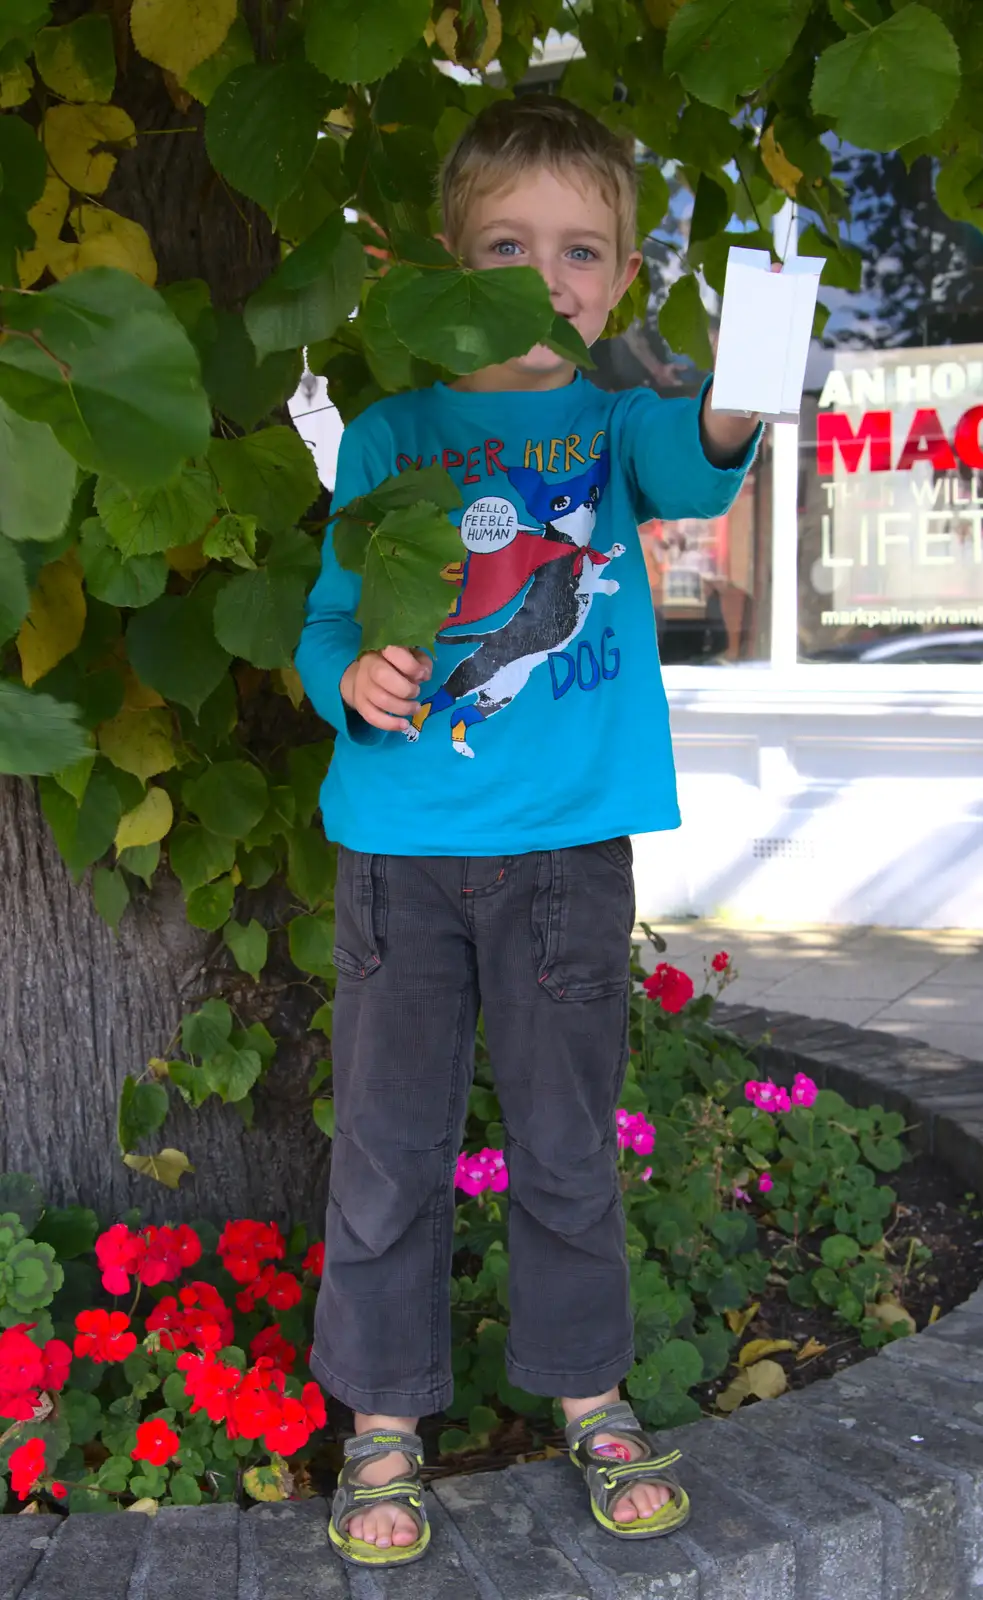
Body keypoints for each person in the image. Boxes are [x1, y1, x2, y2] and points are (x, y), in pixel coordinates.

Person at [295, 94, 762, 1570]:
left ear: (621, 278)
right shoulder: (388, 437)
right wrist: (351, 681)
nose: (546, 275)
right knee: (385, 1151)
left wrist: (748, 379)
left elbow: (695, 469)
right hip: (398, 854)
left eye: (578, 249)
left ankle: (589, 1394)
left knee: (565, 1147)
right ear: (440, 263)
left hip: (566, 856)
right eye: (506, 243)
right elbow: (324, 626)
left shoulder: (615, 422)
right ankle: (380, 1420)